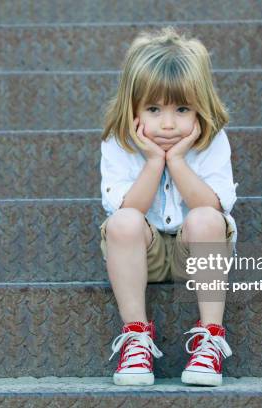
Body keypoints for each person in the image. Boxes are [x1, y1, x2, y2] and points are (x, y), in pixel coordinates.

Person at [99, 26, 239, 386]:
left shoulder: (212, 141)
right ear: (133, 109)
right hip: (140, 254)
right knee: (123, 222)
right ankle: (135, 337)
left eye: (181, 109)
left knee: (208, 218)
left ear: (200, 108)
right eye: (153, 108)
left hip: (195, 254)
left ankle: (211, 337)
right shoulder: (119, 142)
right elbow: (126, 207)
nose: (167, 123)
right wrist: (152, 161)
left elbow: (213, 205)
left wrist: (176, 160)